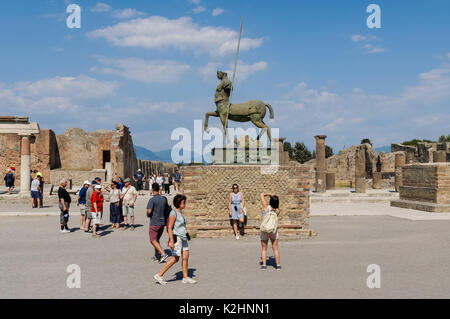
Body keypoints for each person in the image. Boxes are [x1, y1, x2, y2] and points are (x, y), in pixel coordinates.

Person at [154, 194, 197, 285]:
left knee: (185, 257)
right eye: (183, 202)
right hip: (177, 238)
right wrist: (171, 240)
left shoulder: (181, 213)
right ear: (179, 203)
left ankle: (185, 277)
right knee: (175, 258)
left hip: (183, 237)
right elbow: (169, 227)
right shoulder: (173, 213)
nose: (185, 204)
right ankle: (159, 275)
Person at [146, 183, 170, 263]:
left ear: (152, 190)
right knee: (157, 240)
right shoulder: (163, 199)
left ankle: (162, 253)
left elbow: (149, 211)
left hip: (154, 222)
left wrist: (148, 214)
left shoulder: (152, 200)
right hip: (162, 223)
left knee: (152, 240)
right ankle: (157, 255)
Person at [259, 193, 281, 271]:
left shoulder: (266, 207)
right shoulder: (277, 211)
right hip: (273, 231)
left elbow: (261, 195)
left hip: (265, 230)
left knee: (264, 248)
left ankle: (264, 265)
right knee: (275, 248)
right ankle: (278, 265)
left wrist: (269, 194)